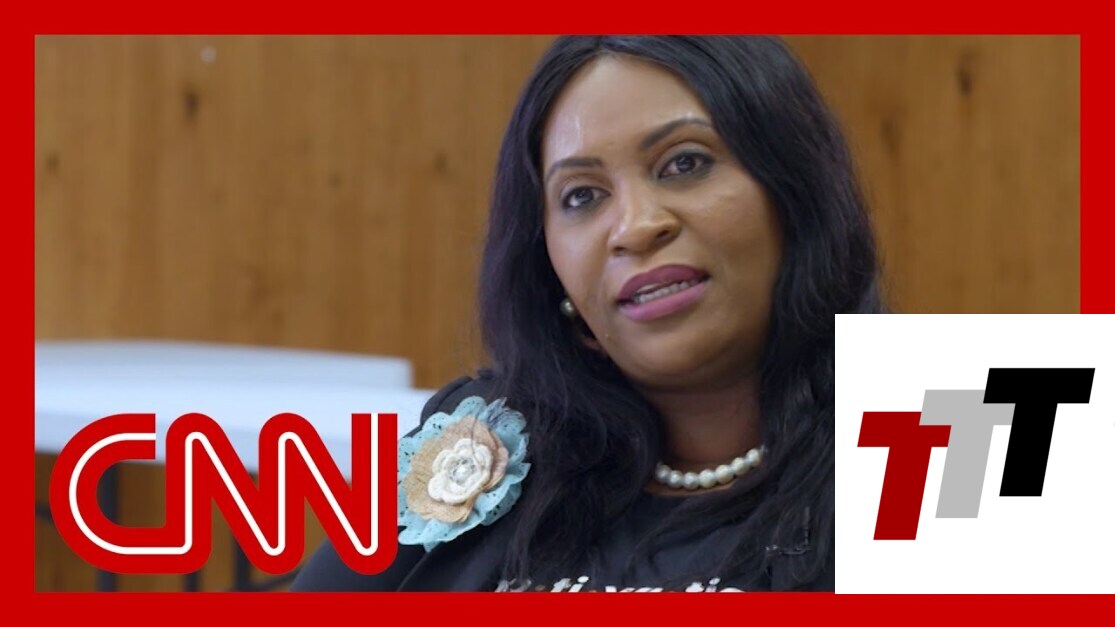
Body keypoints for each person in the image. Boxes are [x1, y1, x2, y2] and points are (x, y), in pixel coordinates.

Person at [290, 35, 883, 593]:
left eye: (685, 163)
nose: (635, 227)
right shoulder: (483, 441)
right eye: (582, 195)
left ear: (794, 190)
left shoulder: (921, 432)